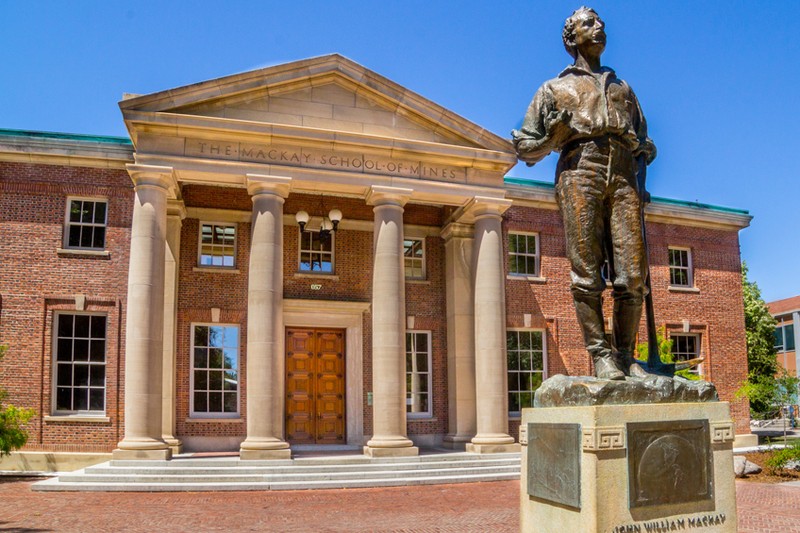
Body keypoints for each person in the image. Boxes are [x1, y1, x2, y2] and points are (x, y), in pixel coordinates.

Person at [512, 7, 657, 380]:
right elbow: (526, 147)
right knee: (587, 272)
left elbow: (644, 139)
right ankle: (600, 355)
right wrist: (552, 139)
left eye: (601, 23)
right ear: (571, 37)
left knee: (632, 277)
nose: (599, 27)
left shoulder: (622, 88)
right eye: (588, 23)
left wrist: (644, 149)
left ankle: (625, 355)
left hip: (624, 173)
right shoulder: (554, 89)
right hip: (580, 169)